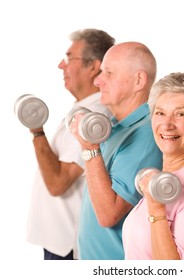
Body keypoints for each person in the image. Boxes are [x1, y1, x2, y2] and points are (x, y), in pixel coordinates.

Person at [26, 29, 115, 260]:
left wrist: (37, 131)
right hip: (57, 242)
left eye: (68, 58)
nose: (60, 65)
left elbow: (58, 182)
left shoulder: (94, 117)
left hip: (68, 247)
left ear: (94, 66)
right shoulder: (83, 109)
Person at [69, 41, 163, 260]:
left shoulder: (146, 134)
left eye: (108, 73)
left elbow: (108, 215)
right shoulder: (114, 126)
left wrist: (89, 147)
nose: (98, 80)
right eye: (101, 72)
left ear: (139, 80)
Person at [122, 72, 184, 260]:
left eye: (180, 114)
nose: (167, 125)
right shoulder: (164, 181)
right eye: (160, 113)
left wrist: (156, 209)